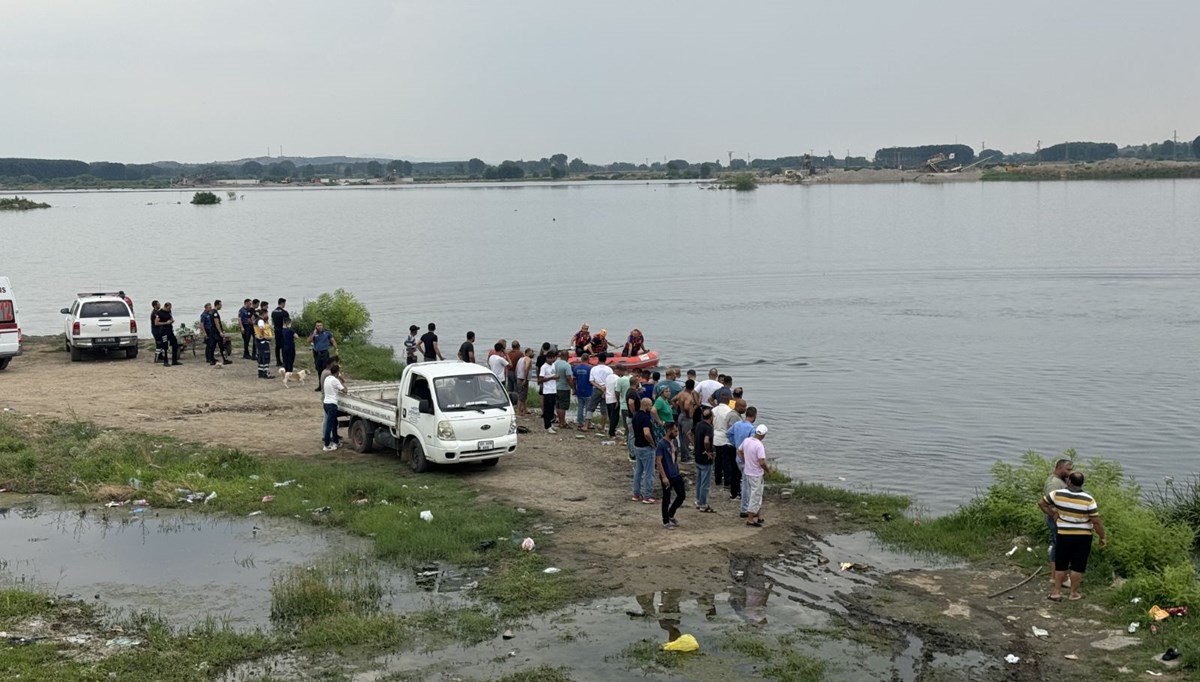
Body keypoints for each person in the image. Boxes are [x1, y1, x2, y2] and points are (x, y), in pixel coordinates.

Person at [1039, 471, 1108, 602]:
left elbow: (1041, 503)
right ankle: (1073, 594)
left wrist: (1053, 514)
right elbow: (1096, 521)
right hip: (1083, 536)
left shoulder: (1057, 494)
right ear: (1082, 483)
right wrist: (1102, 536)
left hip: (1064, 534)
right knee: (1078, 565)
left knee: (1061, 564)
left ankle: (1056, 592)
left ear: (1069, 482)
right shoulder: (1088, 499)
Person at [1043, 458, 1074, 580]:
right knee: (1058, 546)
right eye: (1068, 469)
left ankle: (1058, 576)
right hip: (1055, 519)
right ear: (1059, 468)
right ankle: (1057, 577)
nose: (1070, 472)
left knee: (1058, 545)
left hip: (1059, 519)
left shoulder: (1060, 480)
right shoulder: (1054, 483)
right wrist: (1056, 516)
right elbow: (1050, 503)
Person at [728, 405, 758, 515]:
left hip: (738, 456)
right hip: (746, 459)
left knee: (743, 481)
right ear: (754, 416)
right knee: (746, 484)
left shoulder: (737, 424)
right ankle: (745, 508)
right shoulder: (752, 429)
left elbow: (728, 433)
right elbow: (752, 444)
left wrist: (735, 444)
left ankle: (745, 507)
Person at [740, 424, 770, 527]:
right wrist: (768, 470)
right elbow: (761, 462)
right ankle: (750, 519)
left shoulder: (747, 440)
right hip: (756, 474)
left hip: (748, 472)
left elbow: (739, 451)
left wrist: (745, 460)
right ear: (764, 435)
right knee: (755, 496)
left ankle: (758, 515)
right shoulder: (759, 446)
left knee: (756, 494)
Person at [656, 422, 685, 529]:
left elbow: (675, 457)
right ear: (669, 431)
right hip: (667, 474)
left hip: (675, 473)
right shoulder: (661, 444)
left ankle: (671, 513)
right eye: (675, 431)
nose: (676, 433)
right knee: (666, 498)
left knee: (681, 495)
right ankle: (666, 521)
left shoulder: (675, 442)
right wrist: (663, 476)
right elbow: (659, 461)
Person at [631, 397, 657, 504]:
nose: (651, 408)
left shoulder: (635, 416)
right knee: (649, 472)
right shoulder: (646, 418)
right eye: (650, 405)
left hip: (637, 445)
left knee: (638, 471)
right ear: (646, 405)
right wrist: (652, 442)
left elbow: (632, 429)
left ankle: (636, 493)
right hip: (646, 447)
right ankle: (647, 495)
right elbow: (646, 432)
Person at [693, 407, 716, 513]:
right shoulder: (708, 428)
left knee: (699, 480)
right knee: (705, 483)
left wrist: (695, 444)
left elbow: (689, 433)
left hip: (697, 455)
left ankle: (698, 501)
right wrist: (708, 451)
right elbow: (706, 440)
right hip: (705, 458)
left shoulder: (698, 424)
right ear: (711, 417)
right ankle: (703, 504)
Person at [321, 361, 347, 451]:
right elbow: (345, 390)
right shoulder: (335, 380)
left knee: (334, 423)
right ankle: (327, 444)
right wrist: (341, 380)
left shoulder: (327, 379)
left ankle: (335, 441)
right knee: (330, 425)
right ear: (337, 372)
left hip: (326, 403)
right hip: (332, 404)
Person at [672, 379, 698, 463]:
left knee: (681, 437)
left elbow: (672, 400)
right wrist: (688, 414)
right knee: (686, 437)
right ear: (693, 387)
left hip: (680, 415)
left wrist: (677, 408)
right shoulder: (689, 396)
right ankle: (685, 457)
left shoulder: (681, 393)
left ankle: (685, 455)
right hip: (686, 417)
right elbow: (687, 406)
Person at [711, 399, 734, 487]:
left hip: (715, 437)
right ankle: (727, 481)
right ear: (728, 401)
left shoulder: (714, 410)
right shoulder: (729, 411)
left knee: (717, 459)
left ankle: (718, 479)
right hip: (724, 438)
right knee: (726, 460)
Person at [537, 348, 560, 433]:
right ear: (549, 358)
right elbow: (540, 380)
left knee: (551, 408)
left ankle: (551, 423)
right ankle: (547, 426)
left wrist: (556, 377)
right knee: (547, 409)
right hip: (547, 390)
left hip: (553, 389)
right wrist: (551, 378)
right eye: (554, 358)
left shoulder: (553, 365)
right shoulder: (544, 367)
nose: (555, 359)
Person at [309, 321, 337, 390]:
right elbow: (308, 341)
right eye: (318, 326)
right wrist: (313, 334)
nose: (319, 327)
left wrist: (336, 348)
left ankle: (327, 385)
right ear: (316, 327)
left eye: (320, 325)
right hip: (317, 354)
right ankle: (320, 385)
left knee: (326, 369)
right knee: (319, 369)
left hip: (324, 353)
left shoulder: (327, 333)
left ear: (322, 326)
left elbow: (333, 341)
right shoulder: (314, 333)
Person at [588, 354, 613, 432]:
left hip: (596, 389)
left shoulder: (594, 369)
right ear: (606, 360)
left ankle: (587, 424)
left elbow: (591, 381)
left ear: (598, 360)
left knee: (590, 407)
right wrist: (604, 389)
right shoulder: (609, 369)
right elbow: (610, 380)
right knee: (604, 409)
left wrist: (599, 387)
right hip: (606, 390)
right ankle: (602, 427)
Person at [573, 351, 594, 430]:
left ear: (581, 359)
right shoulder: (590, 369)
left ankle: (580, 422)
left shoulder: (576, 368)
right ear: (588, 359)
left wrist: (574, 389)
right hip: (588, 391)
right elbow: (592, 380)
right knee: (588, 408)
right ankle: (587, 423)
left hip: (579, 390)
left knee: (580, 407)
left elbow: (574, 380)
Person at [155, 301, 180, 367]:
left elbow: (171, 318)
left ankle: (174, 360)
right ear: (165, 307)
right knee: (165, 347)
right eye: (169, 308)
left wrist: (171, 321)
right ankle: (165, 361)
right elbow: (156, 323)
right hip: (163, 331)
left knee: (175, 344)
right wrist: (166, 323)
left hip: (170, 331)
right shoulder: (159, 313)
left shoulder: (169, 312)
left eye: (170, 308)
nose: (170, 309)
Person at [554, 349, 573, 428]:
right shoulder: (566, 365)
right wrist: (573, 388)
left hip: (555, 387)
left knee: (558, 405)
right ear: (567, 356)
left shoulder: (555, 363)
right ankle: (563, 422)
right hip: (564, 388)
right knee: (563, 406)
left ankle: (560, 421)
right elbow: (569, 378)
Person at [254, 309, 273, 379]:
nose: (267, 315)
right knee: (266, 357)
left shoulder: (257, 320)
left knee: (261, 357)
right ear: (264, 314)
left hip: (259, 341)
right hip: (263, 341)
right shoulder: (261, 320)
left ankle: (261, 372)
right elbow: (261, 328)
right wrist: (263, 336)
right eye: (266, 314)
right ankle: (266, 373)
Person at [515, 347, 534, 416]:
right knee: (521, 395)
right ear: (528, 353)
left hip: (519, 377)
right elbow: (526, 368)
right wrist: (525, 379)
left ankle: (525, 409)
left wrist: (517, 376)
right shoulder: (528, 359)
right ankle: (519, 411)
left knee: (523, 395)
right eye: (532, 352)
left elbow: (516, 369)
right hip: (523, 379)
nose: (533, 353)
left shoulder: (520, 359)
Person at [271, 298, 290, 367]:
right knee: (283, 346)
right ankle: (285, 361)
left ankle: (278, 361)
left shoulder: (273, 312)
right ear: (282, 303)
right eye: (284, 303)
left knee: (277, 346)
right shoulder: (284, 313)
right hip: (283, 331)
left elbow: (273, 322)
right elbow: (287, 323)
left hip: (276, 330)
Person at [211, 300, 231, 364]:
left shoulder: (212, 312)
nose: (221, 306)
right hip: (216, 332)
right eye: (220, 304)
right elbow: (217, 323)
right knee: (222, 346)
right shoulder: (215, 313)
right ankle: (225, 360)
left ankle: (212, 360)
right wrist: (220, 331)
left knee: (213, 346)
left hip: (213, 332)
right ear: (217, 305)